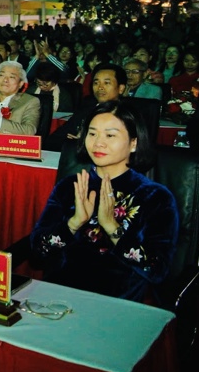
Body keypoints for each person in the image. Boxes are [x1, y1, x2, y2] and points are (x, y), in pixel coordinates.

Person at [29, 101, 179, 302]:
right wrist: (73, 223)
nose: (98, 143)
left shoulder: (154, 197)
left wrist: (112, 227)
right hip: (61, 297)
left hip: (119, 302)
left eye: (110, 135)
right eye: (92, 134)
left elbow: (157, 270)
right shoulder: (71, 186)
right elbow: (38, 254)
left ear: (134, 143)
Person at [45, 63, 126, 152]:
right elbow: (60, 134)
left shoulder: (125, 114)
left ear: (121, 88)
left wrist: (82, 143)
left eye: (106, 83)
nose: (100, 87)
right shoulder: (87, 106)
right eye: (96, 83)